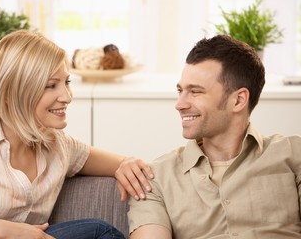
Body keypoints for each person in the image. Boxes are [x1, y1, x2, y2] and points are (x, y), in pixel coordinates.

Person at [0, 30, 154, 239]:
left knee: (99, 230)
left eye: (67, 82)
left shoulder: (58, 145)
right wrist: (0, 231)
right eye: (51, 85)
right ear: (11, 93)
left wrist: (127, 163)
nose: (67, 96)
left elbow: (118, 163)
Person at [127, 35, 301, 238]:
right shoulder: (154, 177)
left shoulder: (293, 155)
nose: (180, 104)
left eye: (195, 92)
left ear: (238, 100)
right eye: (180, 90)